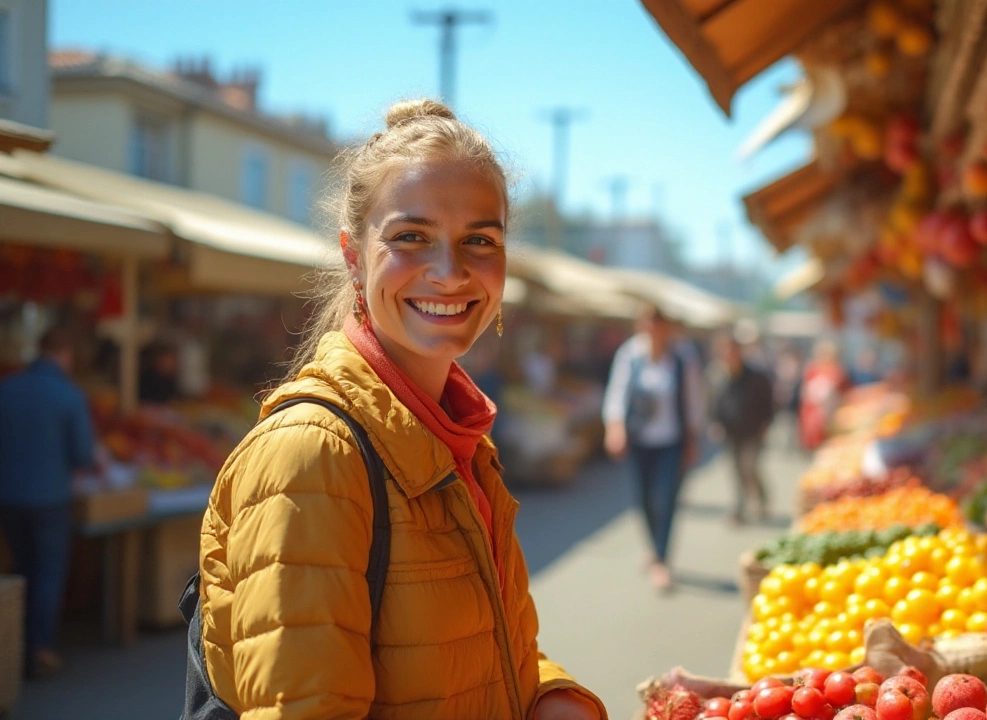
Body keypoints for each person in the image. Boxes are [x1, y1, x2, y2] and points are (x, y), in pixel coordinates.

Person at [195, 99, 604, 719]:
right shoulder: (311, 455)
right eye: (411, 237)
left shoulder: (456, 436)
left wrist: (552, 698)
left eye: (480, 240)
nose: (449, 272)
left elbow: (467, 646)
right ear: (354, 255)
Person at [0, 328, 96, 679]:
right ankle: (37, 650)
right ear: (66, 354)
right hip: (50, 498)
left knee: (21, 569)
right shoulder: (69, 396)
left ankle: (12, 646)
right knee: (47, 576)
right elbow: (83, 454)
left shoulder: (7, 389)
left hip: (7, 497)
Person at [602, 304, 705, 592]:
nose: (653, 330)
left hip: (671, 441)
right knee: (644, 498)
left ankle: (661, 559)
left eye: (657, 324)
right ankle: (653, 545)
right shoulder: (630, 354)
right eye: (647, 324)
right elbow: (617, 393)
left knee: (666, 497)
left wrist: (693, 438)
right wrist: (615, 428)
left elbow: (694, 400)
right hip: (640, 440)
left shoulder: (683, 357)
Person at [710, 332, 776, 525]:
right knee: (735, 471)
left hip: (753, 431)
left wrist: (767, 423)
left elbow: (768, 402)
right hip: (730, 432)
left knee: (749, 467)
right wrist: (713, 423)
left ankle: (760, 498)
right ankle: (739, 509)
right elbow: (711, 403)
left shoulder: (756, 376)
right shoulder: (716, 376)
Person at [798, 339, 848, 450]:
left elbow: (844, 394)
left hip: (832, 416)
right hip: (816, 416)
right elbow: (807, 395)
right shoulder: (812, 370)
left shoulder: (837, 371)